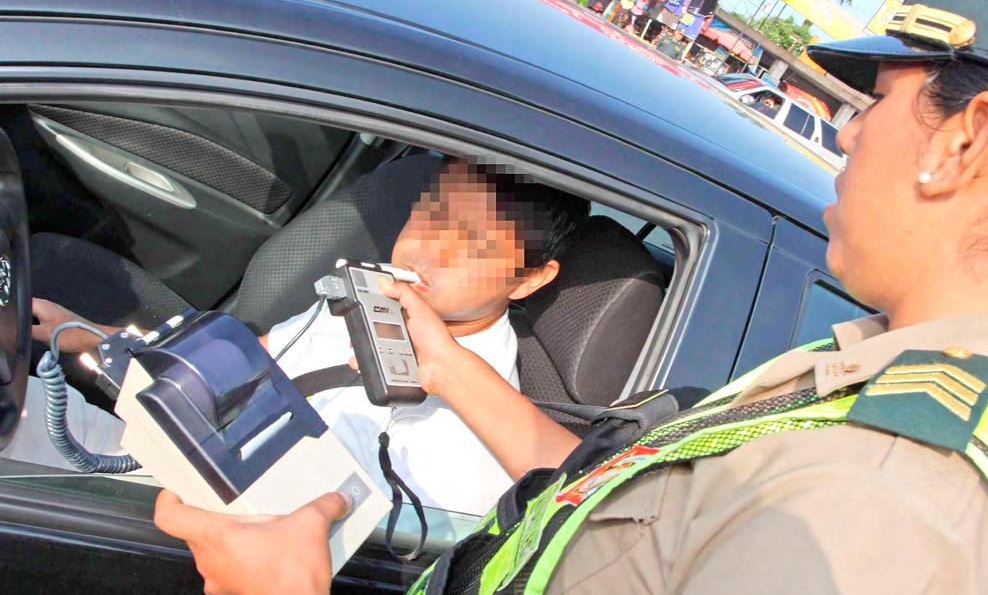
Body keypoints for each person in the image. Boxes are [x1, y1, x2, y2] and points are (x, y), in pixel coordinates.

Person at [154, 0, 988, 595]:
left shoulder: (891, 514)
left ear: (962, 143)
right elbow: (622, 514)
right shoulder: (890, 393)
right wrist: (446, 363)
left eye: (875, 101)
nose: (847, 137)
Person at [14, 157, 589, 516]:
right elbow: (252, 364)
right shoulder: (372, 288)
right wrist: (97, 340)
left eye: (474, 244)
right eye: (432, 214)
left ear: (530, 280)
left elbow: (361, 550)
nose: (430, 248)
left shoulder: (477, 433)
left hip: (215, 522)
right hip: (177, 451)